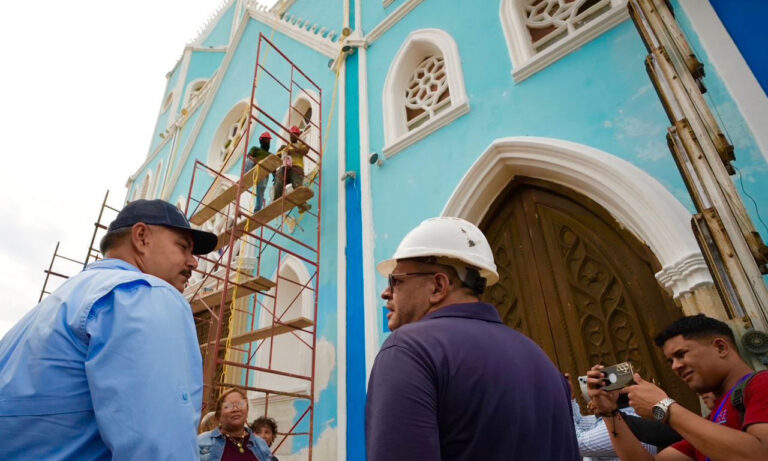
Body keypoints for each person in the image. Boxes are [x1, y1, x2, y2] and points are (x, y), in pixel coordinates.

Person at [0, 199, 218, 460]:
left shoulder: (54, 305)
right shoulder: (143, 294)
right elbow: (157, 447)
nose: (193, 262)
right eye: (182, 247)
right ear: (141, 237)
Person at [365, 217, 580, 461]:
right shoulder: (541, 359)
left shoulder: (409, 350)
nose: (386, 293)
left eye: (396, 280)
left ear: (437, 286)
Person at [587, 314, 768, 461]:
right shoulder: (710, 420)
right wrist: (609, 412)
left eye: (681, 354)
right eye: (671, 361)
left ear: (720, 347)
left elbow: (760, 455)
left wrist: (664, 407)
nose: (675, 366)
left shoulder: (762, 384)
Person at [564, 374, 657, 461]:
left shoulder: (622, 421)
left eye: (594, 393)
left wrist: (562, 399)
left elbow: (577, 443)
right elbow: (580, 423)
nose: (582, 396)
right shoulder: (620, 415)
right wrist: (570, 398)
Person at [197, 388, 274, 461]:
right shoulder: (201, 442)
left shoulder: (260, 444)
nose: (236, 409)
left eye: (241, 404)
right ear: (219, 415)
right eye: (229, 406)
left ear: (247, 411)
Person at [274, 125, 308, 200]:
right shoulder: (285, 146)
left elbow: (306, 150)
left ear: (298, 135)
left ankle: (301, 202)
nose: (292, 136)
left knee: (297, 183)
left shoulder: (300, 144)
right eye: (291, 134)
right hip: (285, 167)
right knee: (278, 177)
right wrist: (282, 151)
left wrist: (293, 150)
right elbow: (277, 156)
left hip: (296, 167)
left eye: (294, 135)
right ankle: (276, 200)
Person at [245, 131, 273, 212]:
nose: (267, 142)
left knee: (260, 190)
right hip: (254, 169)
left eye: (268, 141)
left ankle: (257, 209)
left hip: (263, 173)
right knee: (249, 160)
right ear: (261, 141)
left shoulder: (270, 155)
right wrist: (256, 161)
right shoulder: (255, 149)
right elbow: (249, 156)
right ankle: (245, 176)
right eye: (266, 140)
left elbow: (273, 168)